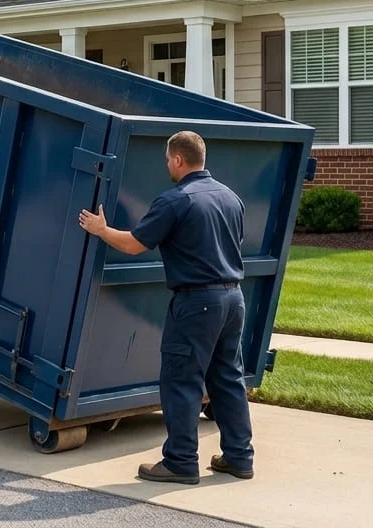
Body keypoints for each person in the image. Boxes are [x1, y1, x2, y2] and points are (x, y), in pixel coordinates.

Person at [77, 130, 254, 485]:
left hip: (197, 303)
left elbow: (133, 245)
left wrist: (101, 229)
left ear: (177, 160)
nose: (167, 167)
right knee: (228, 377)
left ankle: (180, 462)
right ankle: (239, 458)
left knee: (182, 381)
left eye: (167, 161)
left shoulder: (176, 200)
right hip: (233, 298)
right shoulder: (230, 197)